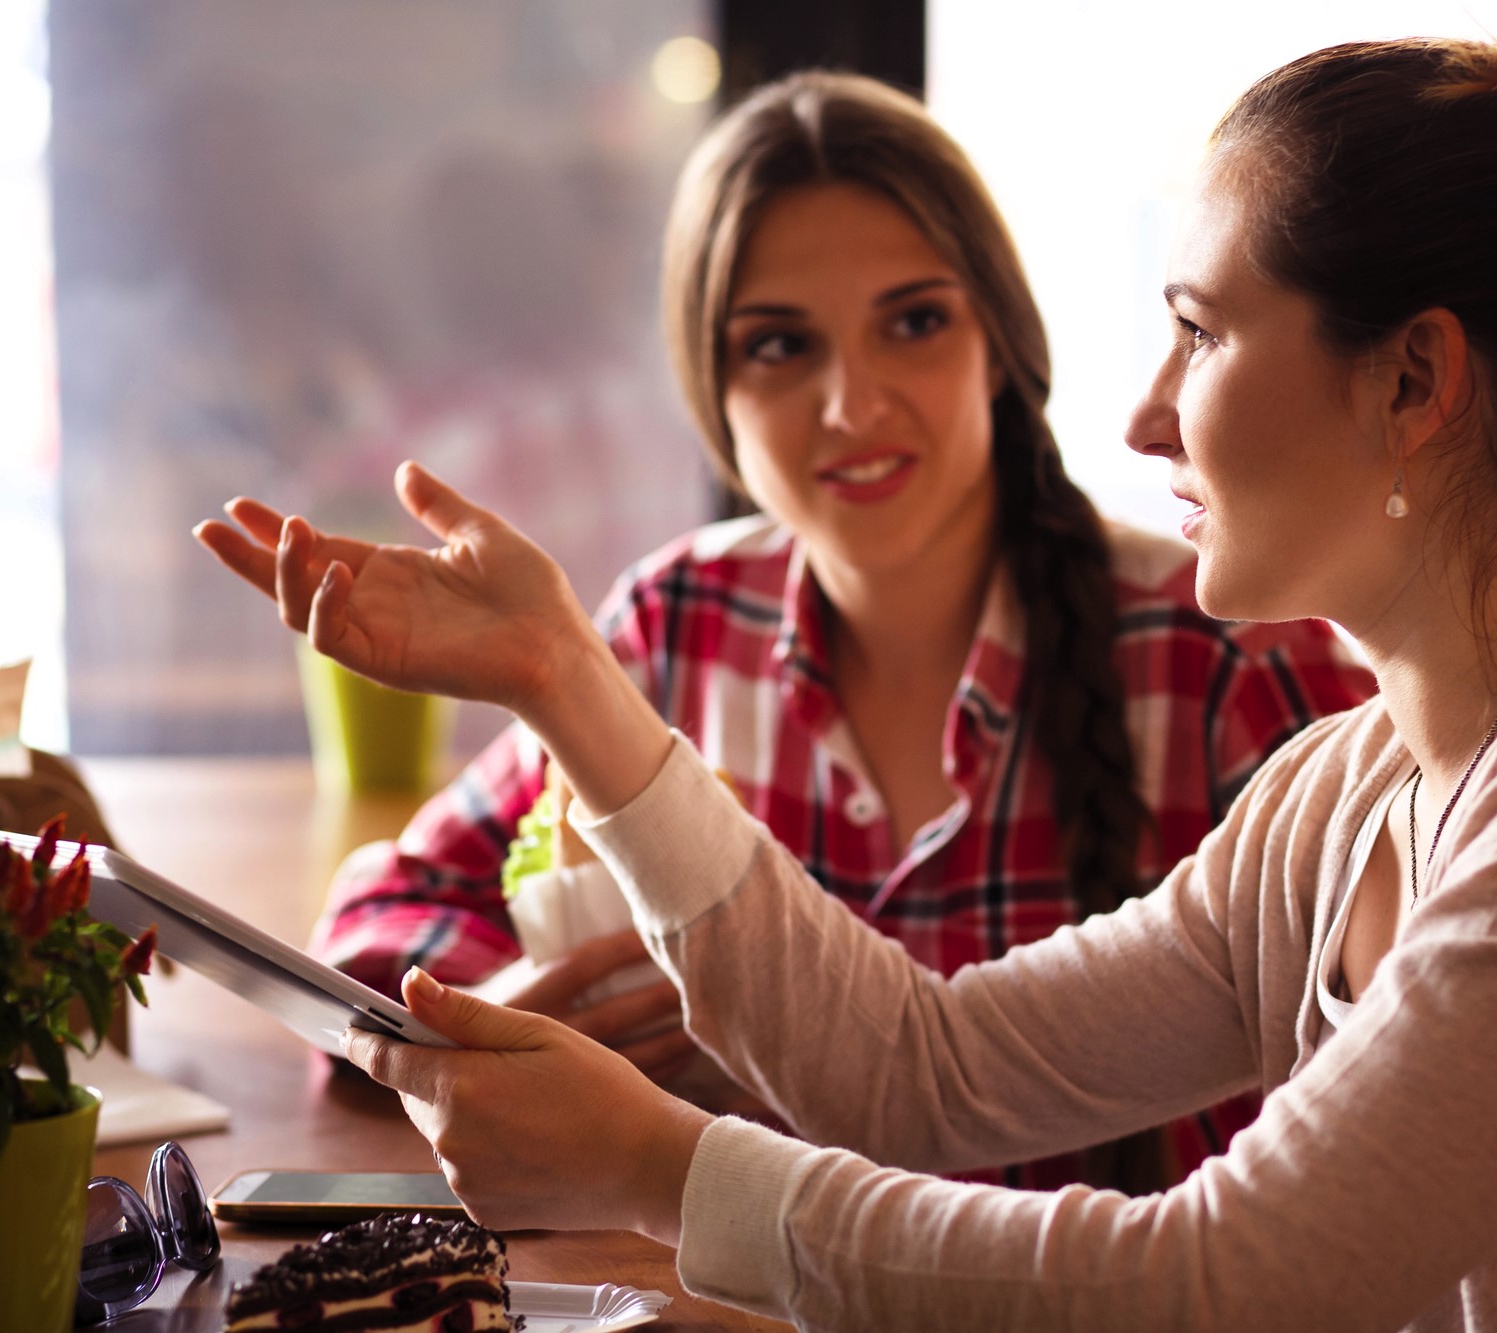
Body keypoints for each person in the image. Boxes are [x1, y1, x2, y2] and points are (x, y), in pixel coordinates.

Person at [206, 35, 1497, 1328]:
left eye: (1199, 333)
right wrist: (565, 674)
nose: (1142, 417)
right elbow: (920, 1069)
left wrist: (665, 1169)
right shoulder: (1357, 794)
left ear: (1413, 383)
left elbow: (1240, 1280)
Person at [201, 71, 1373, 1192]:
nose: (851, 404)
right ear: (711, 395)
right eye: (779, 345)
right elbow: (380, 919)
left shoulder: (1233, 657)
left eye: (912, 322)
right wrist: (511, 1009)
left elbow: (1372, 1119)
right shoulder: (676, 628)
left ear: (1001, 345)